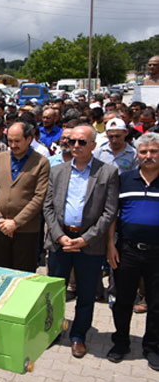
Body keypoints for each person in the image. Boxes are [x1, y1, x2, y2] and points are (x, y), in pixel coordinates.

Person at [43, 124, 119, 359]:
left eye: (81, 142)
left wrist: (85, 239)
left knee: (86, 295)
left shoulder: (107, 172)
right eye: (72, 141)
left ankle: (78, 336)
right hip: (60, 240)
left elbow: (109, 212)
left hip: (89, 244)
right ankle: (53, 331)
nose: (75, 146)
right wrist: (59, 235)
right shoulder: (57, 171)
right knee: (55, 293)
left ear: (93, 146)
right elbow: (48, 206)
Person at [106, 132, 159, 370]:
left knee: (156, 304)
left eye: (154, 152)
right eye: (144, 152)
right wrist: (110, 246)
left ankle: (152, 346)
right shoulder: (125, 180)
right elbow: (113, 217)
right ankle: (121, 342)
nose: (148, 156)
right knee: (123, 301)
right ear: (137, 154)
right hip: (126, 250)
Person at [0, 121, 50, 272]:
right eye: (10, 141)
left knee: (23, 274)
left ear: (29, 139)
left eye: (17, 141)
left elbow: (39, 197)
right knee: (0, 272)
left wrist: (15, 223)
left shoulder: (41, 163)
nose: (13, 145)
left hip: (26, 230)